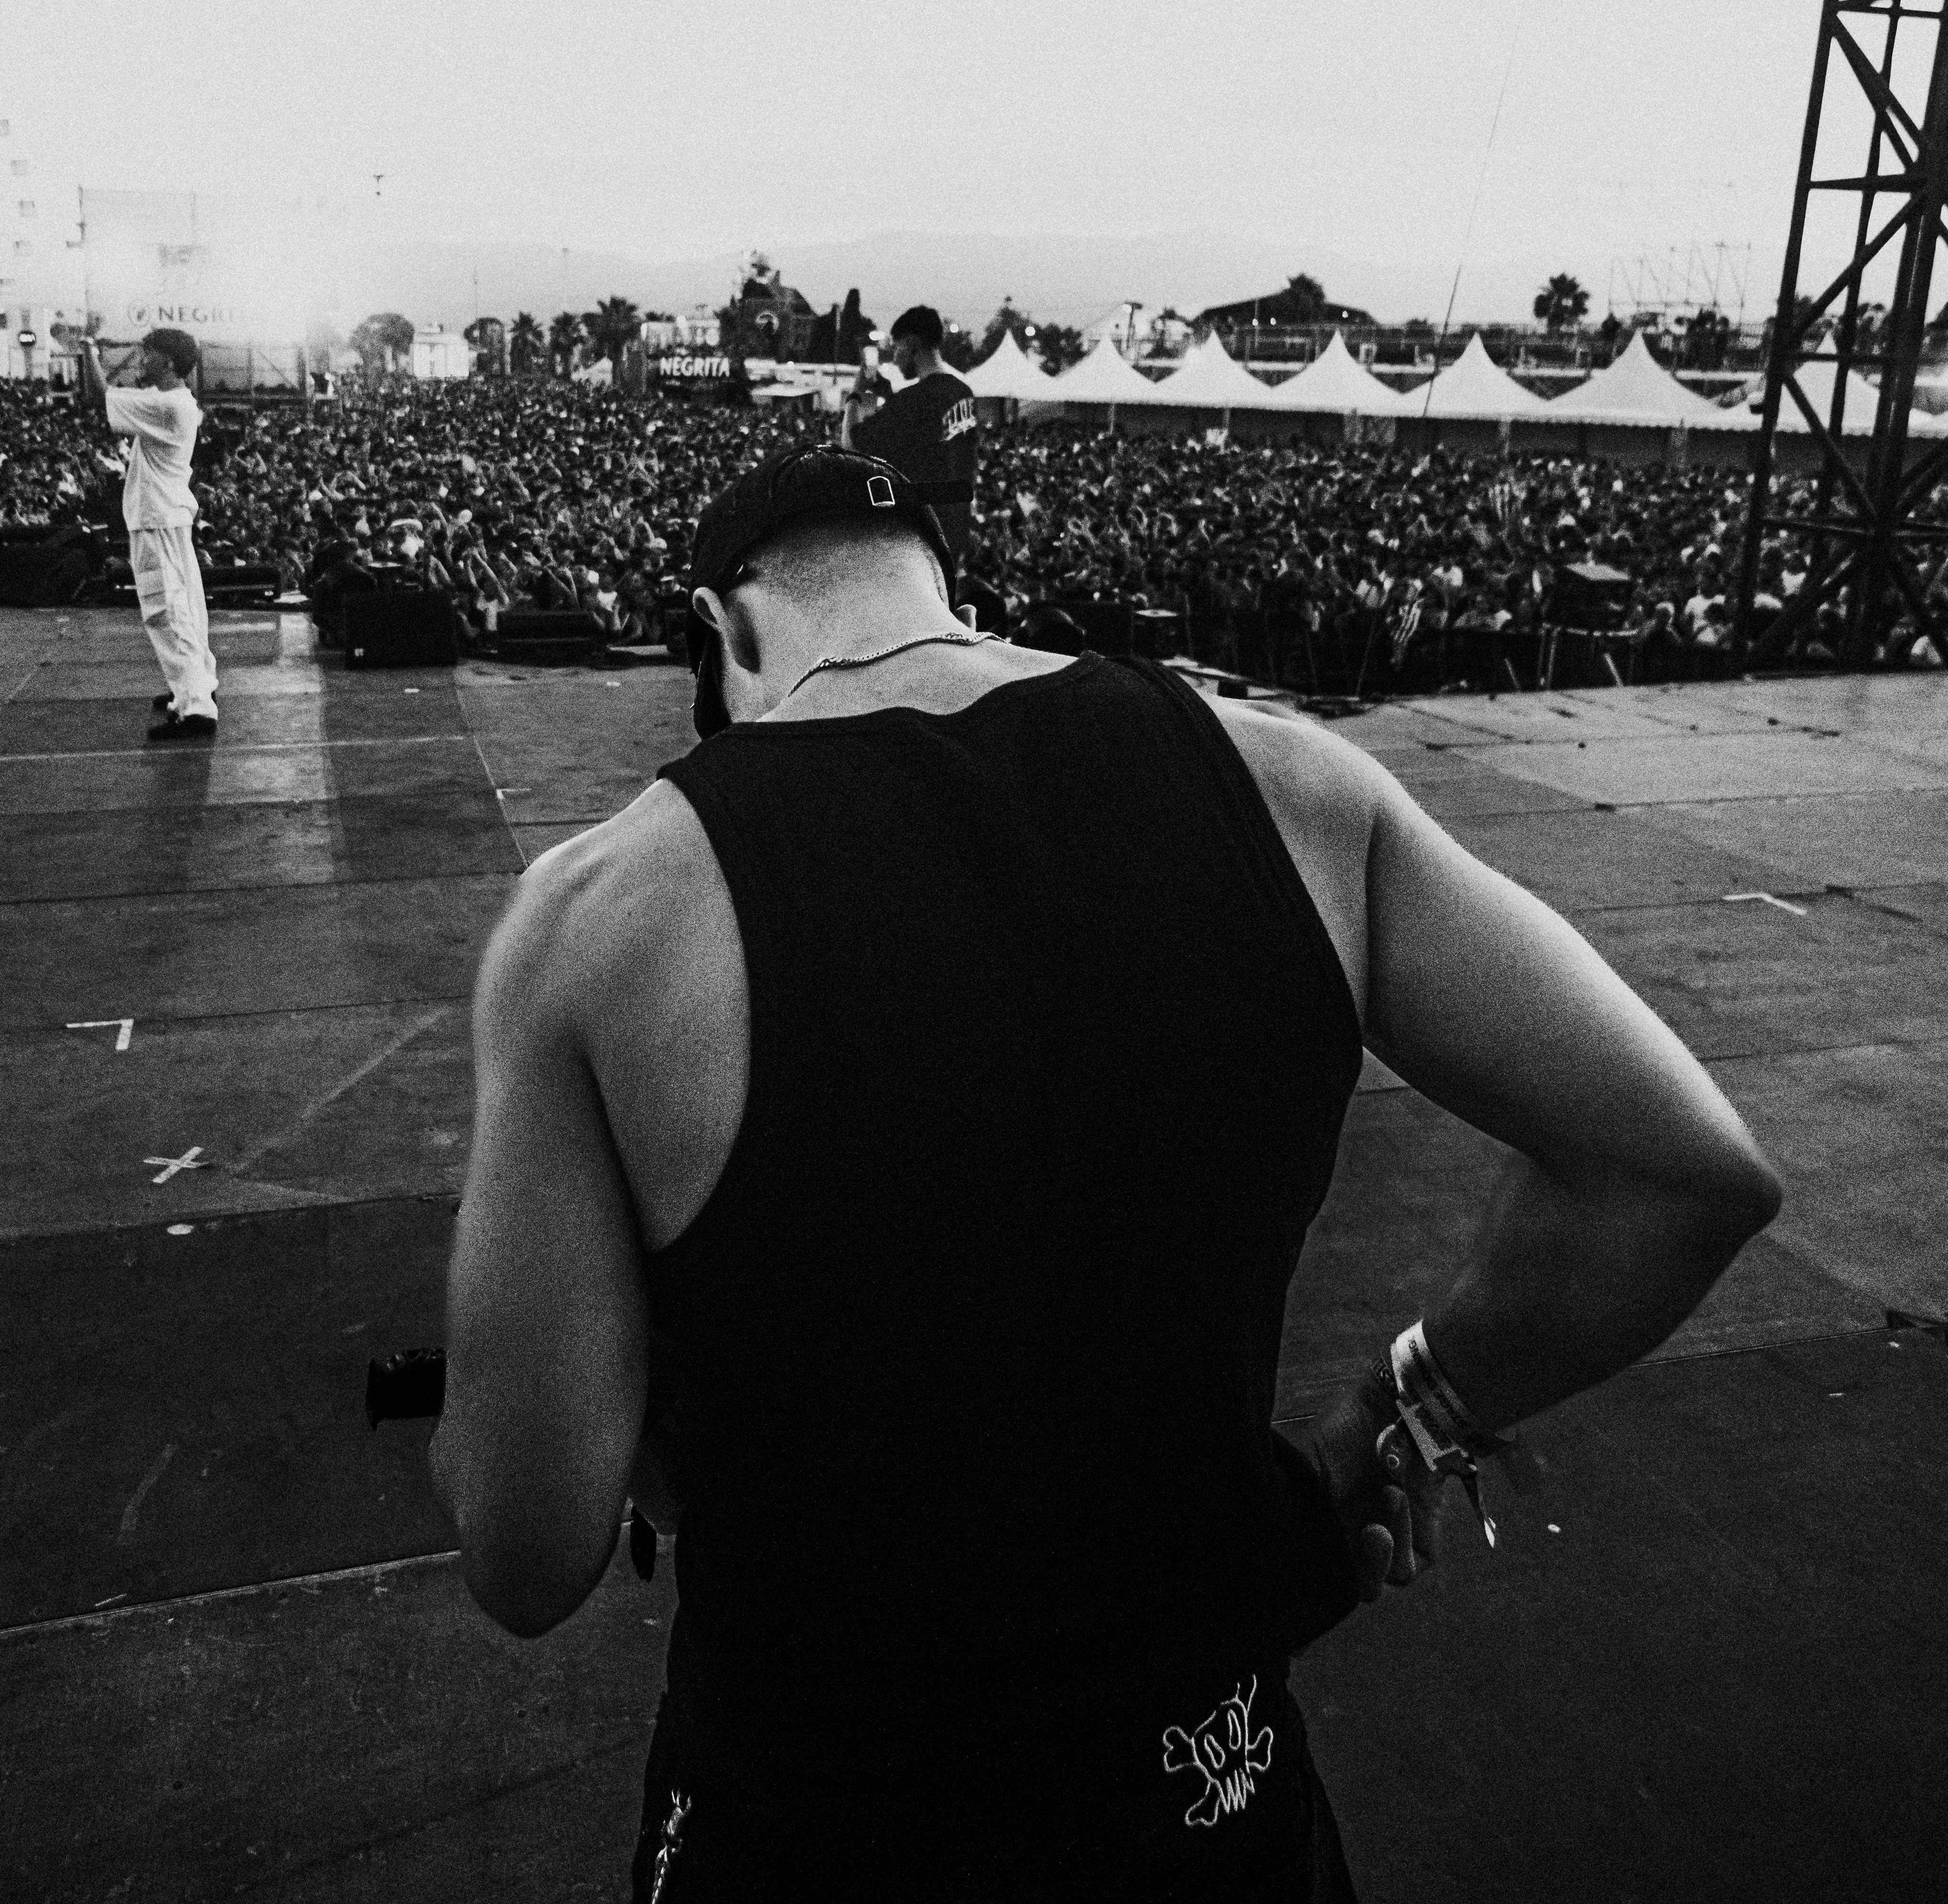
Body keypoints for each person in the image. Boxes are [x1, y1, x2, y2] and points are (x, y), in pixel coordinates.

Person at [429, 443, 1780, 1898]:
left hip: (808, 1822)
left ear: (726, 628)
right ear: (952, 590)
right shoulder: (1294, 786)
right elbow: (1680, 1173)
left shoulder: (599, 916)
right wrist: (1407, 1413)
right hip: (1208, 1799)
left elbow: (526, 1550)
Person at [80, 328, 219, 742]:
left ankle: (196, 708)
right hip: (167, 515)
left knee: (166, 610)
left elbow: (95, 394)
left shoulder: (167, 405)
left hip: (157, 518)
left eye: (149, 355)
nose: (141, 361)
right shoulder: (177, 403)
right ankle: (196, 686)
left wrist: (88, 349)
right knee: (187, 607)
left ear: (171, 364)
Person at [843, 302, 979, 560]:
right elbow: (936, 447)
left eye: (896, 346)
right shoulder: (963, 394)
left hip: (917, 545)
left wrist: (855, 397)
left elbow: (851, 447)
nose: (894, 356)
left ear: (912, 343)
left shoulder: (912, 401)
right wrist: (889, 397)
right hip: (954, 536)